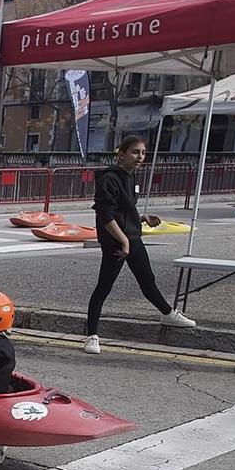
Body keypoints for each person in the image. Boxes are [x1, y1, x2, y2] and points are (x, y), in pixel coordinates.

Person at [86, 134, 196, 352]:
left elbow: (124, 208)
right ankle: (91, 335)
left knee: (147, 281)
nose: (140, 157)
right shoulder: (109, 178)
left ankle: (168, 315)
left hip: (132, 237)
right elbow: (105, 215)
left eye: (143, 153)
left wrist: (142, 218)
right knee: (104, 287)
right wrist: (123, 240)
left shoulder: (130, 176)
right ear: (122, 154)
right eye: (135, 152)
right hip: (116, 242)